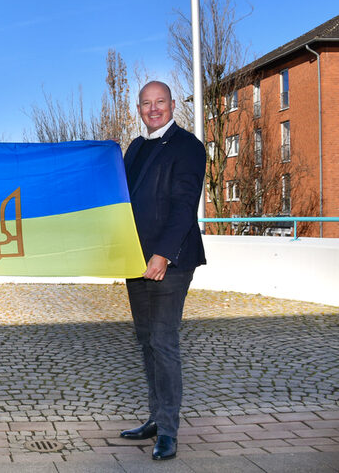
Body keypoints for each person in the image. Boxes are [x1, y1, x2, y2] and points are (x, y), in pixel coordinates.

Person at [119, 81, 206, 461]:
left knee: (164, 341)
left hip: (169, 261)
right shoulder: (135, 148)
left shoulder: (189, 147)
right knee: (146, 341)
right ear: (138, 108)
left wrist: (163, 254)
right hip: (134, 259)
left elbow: (184, 207)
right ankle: (155, 418)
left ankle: (168, 431)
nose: (153, 109)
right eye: (146, 104)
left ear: (172, 105)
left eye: (160, 103)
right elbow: (117, 200)